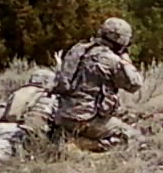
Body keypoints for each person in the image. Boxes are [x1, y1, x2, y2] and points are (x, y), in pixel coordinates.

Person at [51, 17, 142, 150]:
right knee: (134, 137)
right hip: (86, 119)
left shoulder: (77, 49)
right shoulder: (110, 59)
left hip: (63, 115)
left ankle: (68, 137)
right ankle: (81, 145)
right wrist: (126, 60)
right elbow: (134, 84)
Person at [0, 67, 58, 161]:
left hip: (9, 128)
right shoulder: (54, 98)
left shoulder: (23, 92)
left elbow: (9, 113)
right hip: (30, 133)